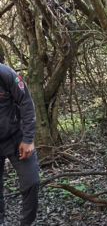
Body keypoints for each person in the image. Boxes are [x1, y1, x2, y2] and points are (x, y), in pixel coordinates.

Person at [0, 62, 39, 225]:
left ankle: (26, 223)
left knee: (32, 182)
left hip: (16, 137)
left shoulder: (6, 74)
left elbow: (26, 103)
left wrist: (28, 139)